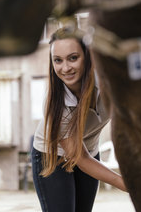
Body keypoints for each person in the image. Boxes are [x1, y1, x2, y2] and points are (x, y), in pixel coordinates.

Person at [31, 26, 127, 212]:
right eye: (58, 61)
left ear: (88, 56)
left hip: (88, 151)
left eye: (73, 58)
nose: (65, 68)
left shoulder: (109, 83)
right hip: (52, 156)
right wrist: (124, 183)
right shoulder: (56, 105)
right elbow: (79, 157)